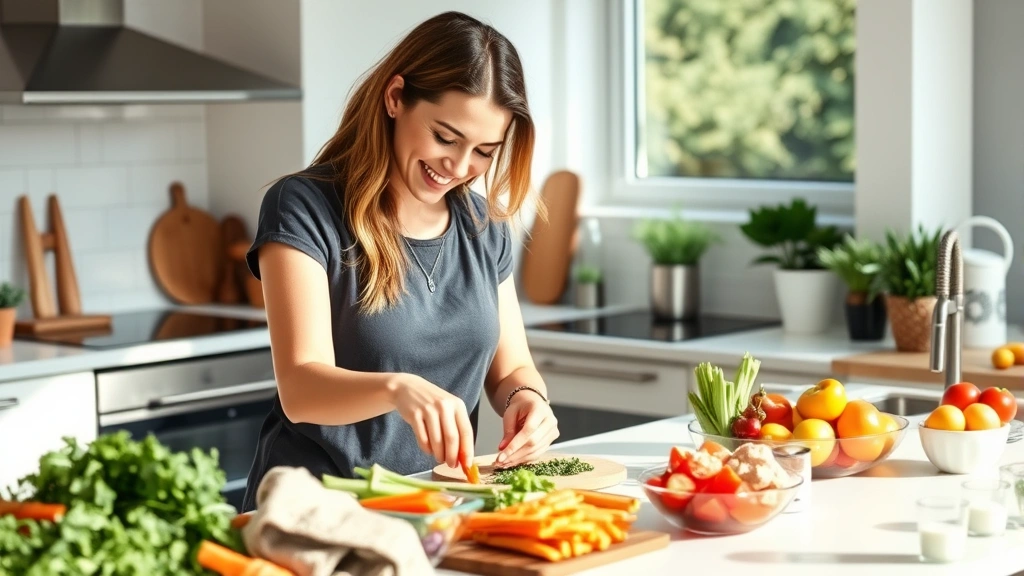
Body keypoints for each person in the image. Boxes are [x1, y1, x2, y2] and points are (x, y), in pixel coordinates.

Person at [241, 11, 558, 512]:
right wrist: (398, 389)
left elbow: (512, 367)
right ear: (395, 98)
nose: (458, 167)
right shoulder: (303, 206)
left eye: (483, 151)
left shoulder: (484, 225)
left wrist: (528, 400)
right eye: (445, 137)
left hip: (435, 509)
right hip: (313, 513)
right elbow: (301, 386)